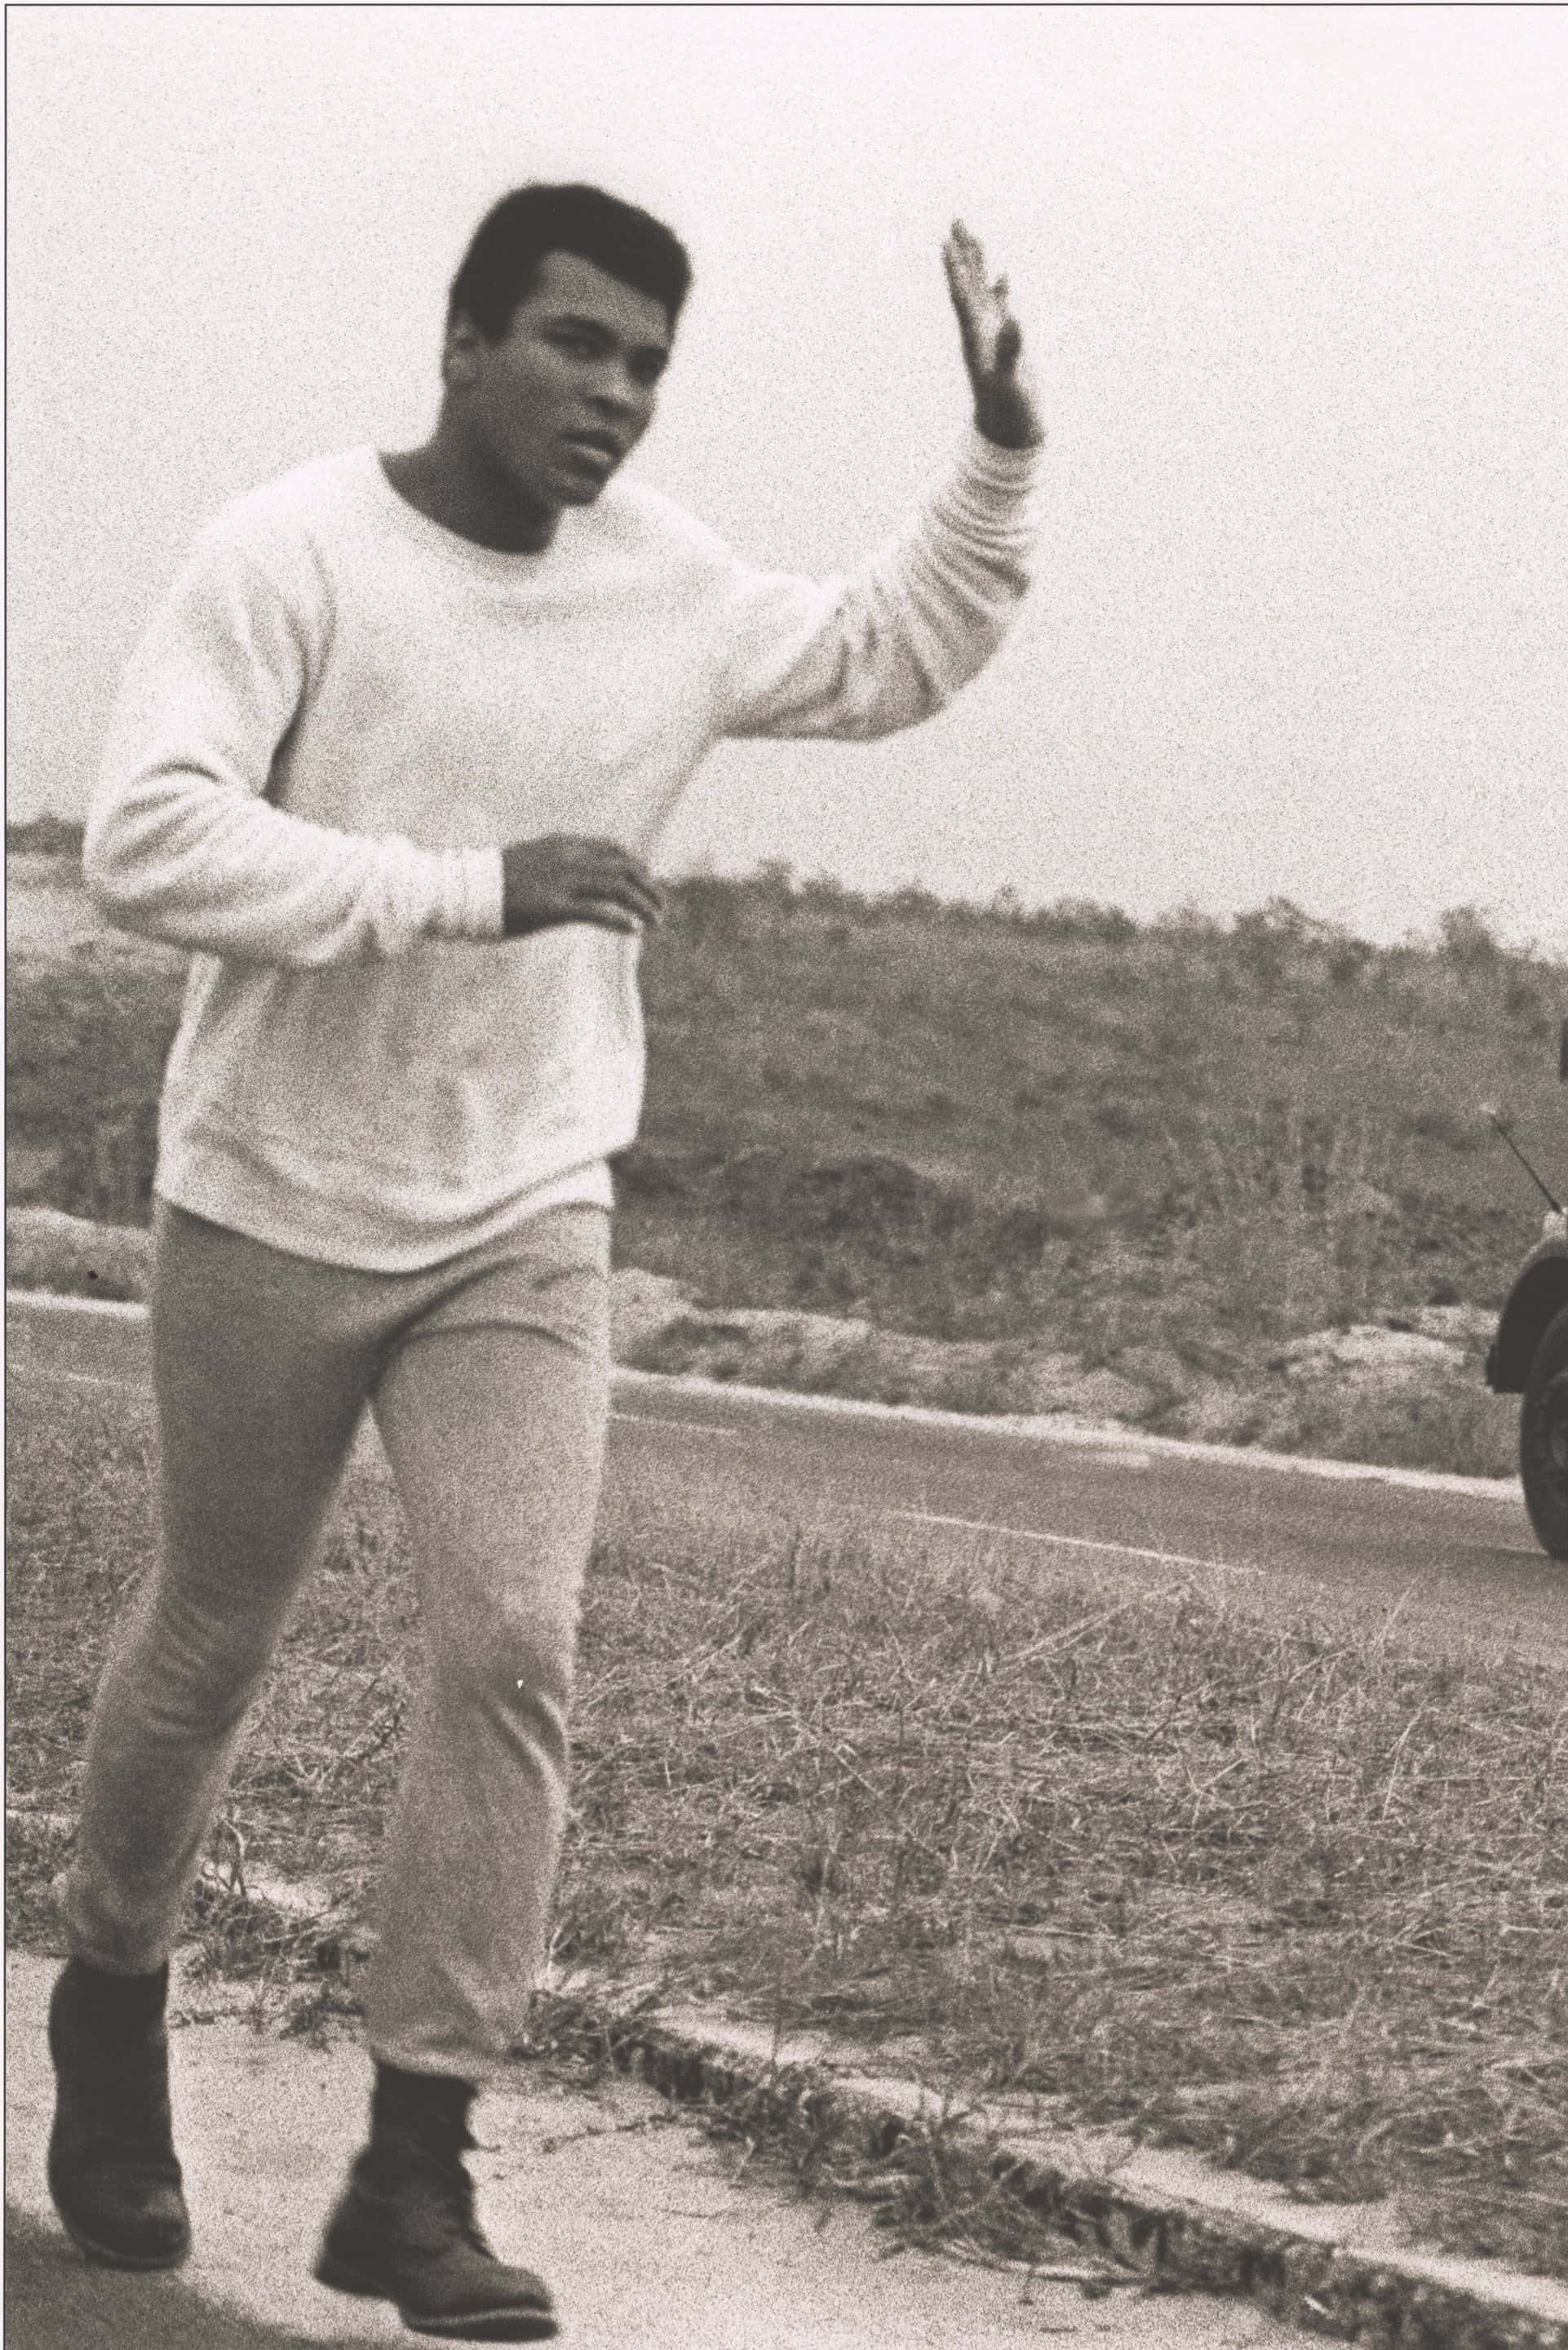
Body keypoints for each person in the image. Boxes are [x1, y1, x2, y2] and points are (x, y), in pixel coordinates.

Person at [55, 184, 1039, 2339]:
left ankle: (414, 2170)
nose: (615, 396)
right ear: (468, 341)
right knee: (211, 1634)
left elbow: (889, 652)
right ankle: (110, 2004)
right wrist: (458, 887)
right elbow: (146, 837)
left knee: (512, 1644)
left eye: (648, 365)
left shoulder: (664, 583)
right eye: (579, 346)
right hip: (271, 1187)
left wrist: (996, 454)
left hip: (526, 1198)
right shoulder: (292, 552)